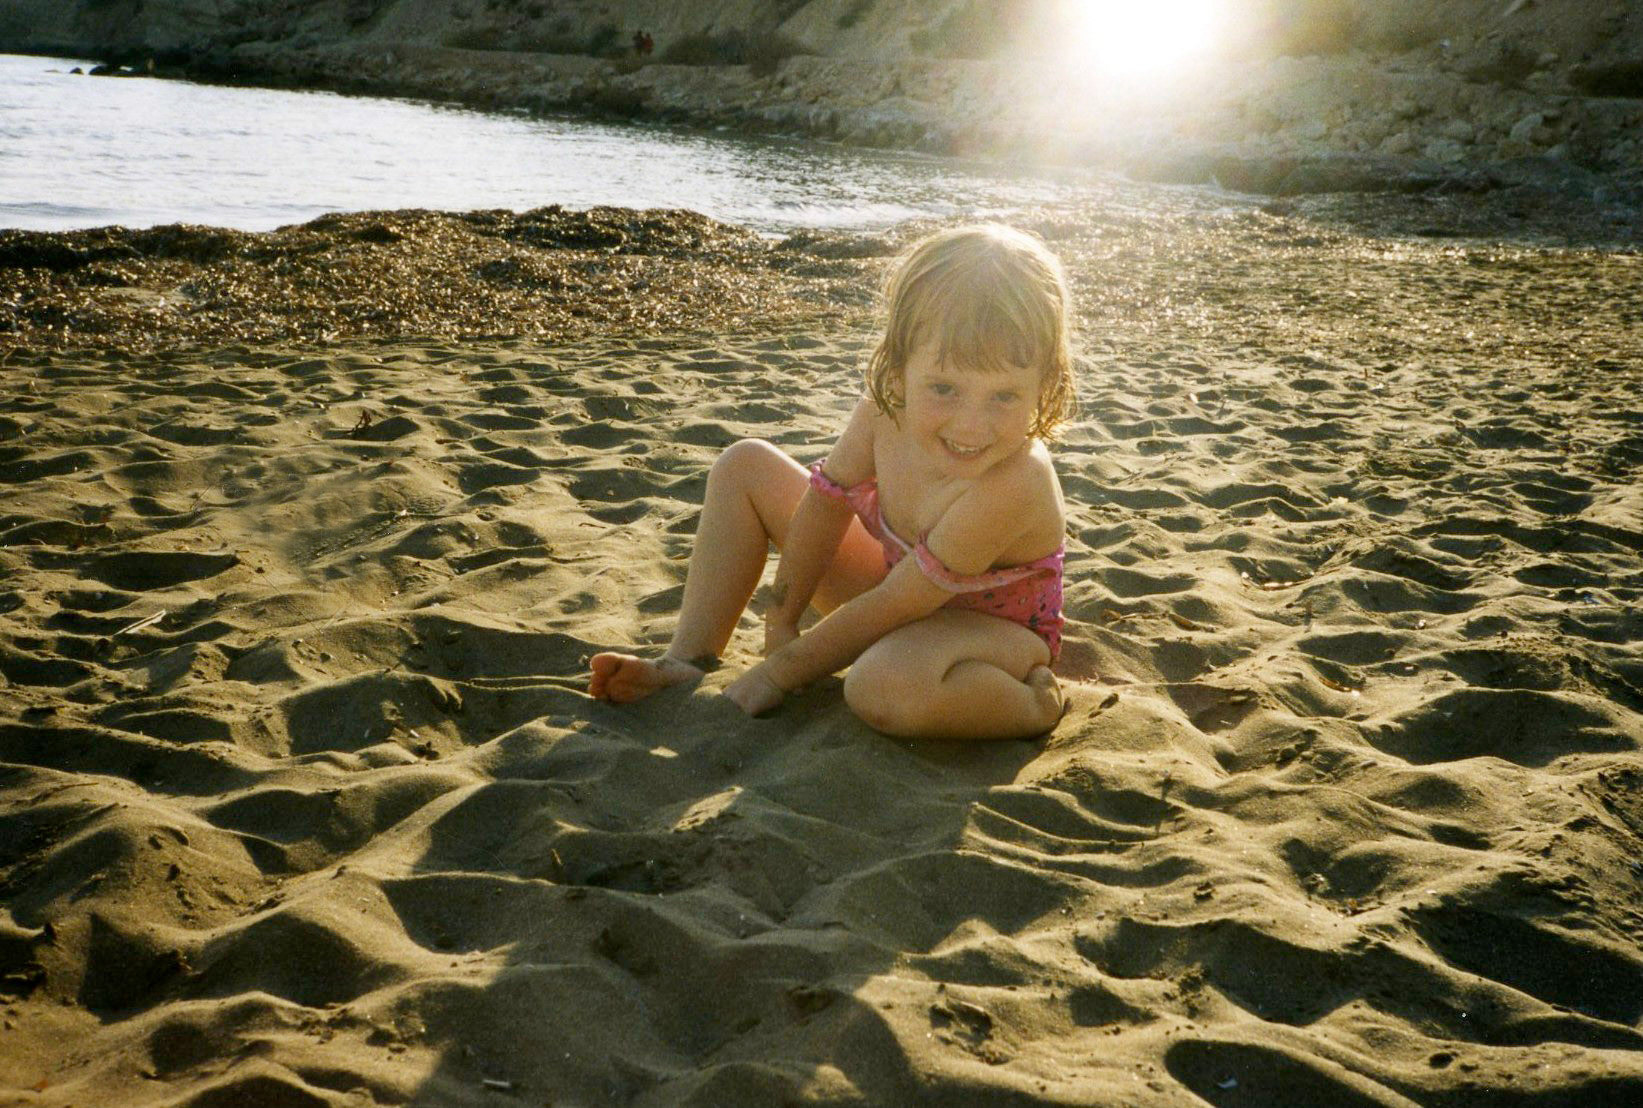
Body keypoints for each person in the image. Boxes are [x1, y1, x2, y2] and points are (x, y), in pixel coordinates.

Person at [588, 224, 1074, 740]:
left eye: (1004, 396)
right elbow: (825, 506)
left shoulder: (1016, 479)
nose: (971, 426)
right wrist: (783, 620)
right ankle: (689, 658)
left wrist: (779, 671)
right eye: (944, 388)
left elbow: (899, 603)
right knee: (744, 465)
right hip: (892, 585)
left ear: (1044, 385)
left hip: (994, 635)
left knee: (881, 687)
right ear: (897, 369)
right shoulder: (883, 413)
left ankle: (1033, 705)